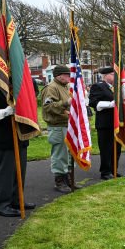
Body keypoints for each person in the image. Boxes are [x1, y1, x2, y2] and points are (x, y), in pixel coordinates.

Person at [0, 60, 32, 214]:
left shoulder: (18, 86)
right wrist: (6, 111)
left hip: (20, 134)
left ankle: (16, 199)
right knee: (5, 173)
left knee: (20, 171)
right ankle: (1, 204)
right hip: (3, 136)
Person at [39, 65, 74, 193]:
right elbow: (48, 107)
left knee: (69, 153)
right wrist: (66, 103)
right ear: (59, 76)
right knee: (60, 153)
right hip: (57, 126)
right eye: (67, 75)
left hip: (67, 124)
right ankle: (60, 181)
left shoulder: (65, 87)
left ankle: (69, 179)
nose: (69, 77)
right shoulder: (51, 88)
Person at [88, 67, 124, 179]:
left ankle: (114, 169)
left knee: (116, 148)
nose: (115, 77)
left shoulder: (117, 88)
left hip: (116, 123)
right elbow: (93, 102)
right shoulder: (98, 86)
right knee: (106, 148)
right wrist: (109, 104)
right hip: (105, 123)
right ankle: (105, 171)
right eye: (113, 74)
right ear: (105, 76)